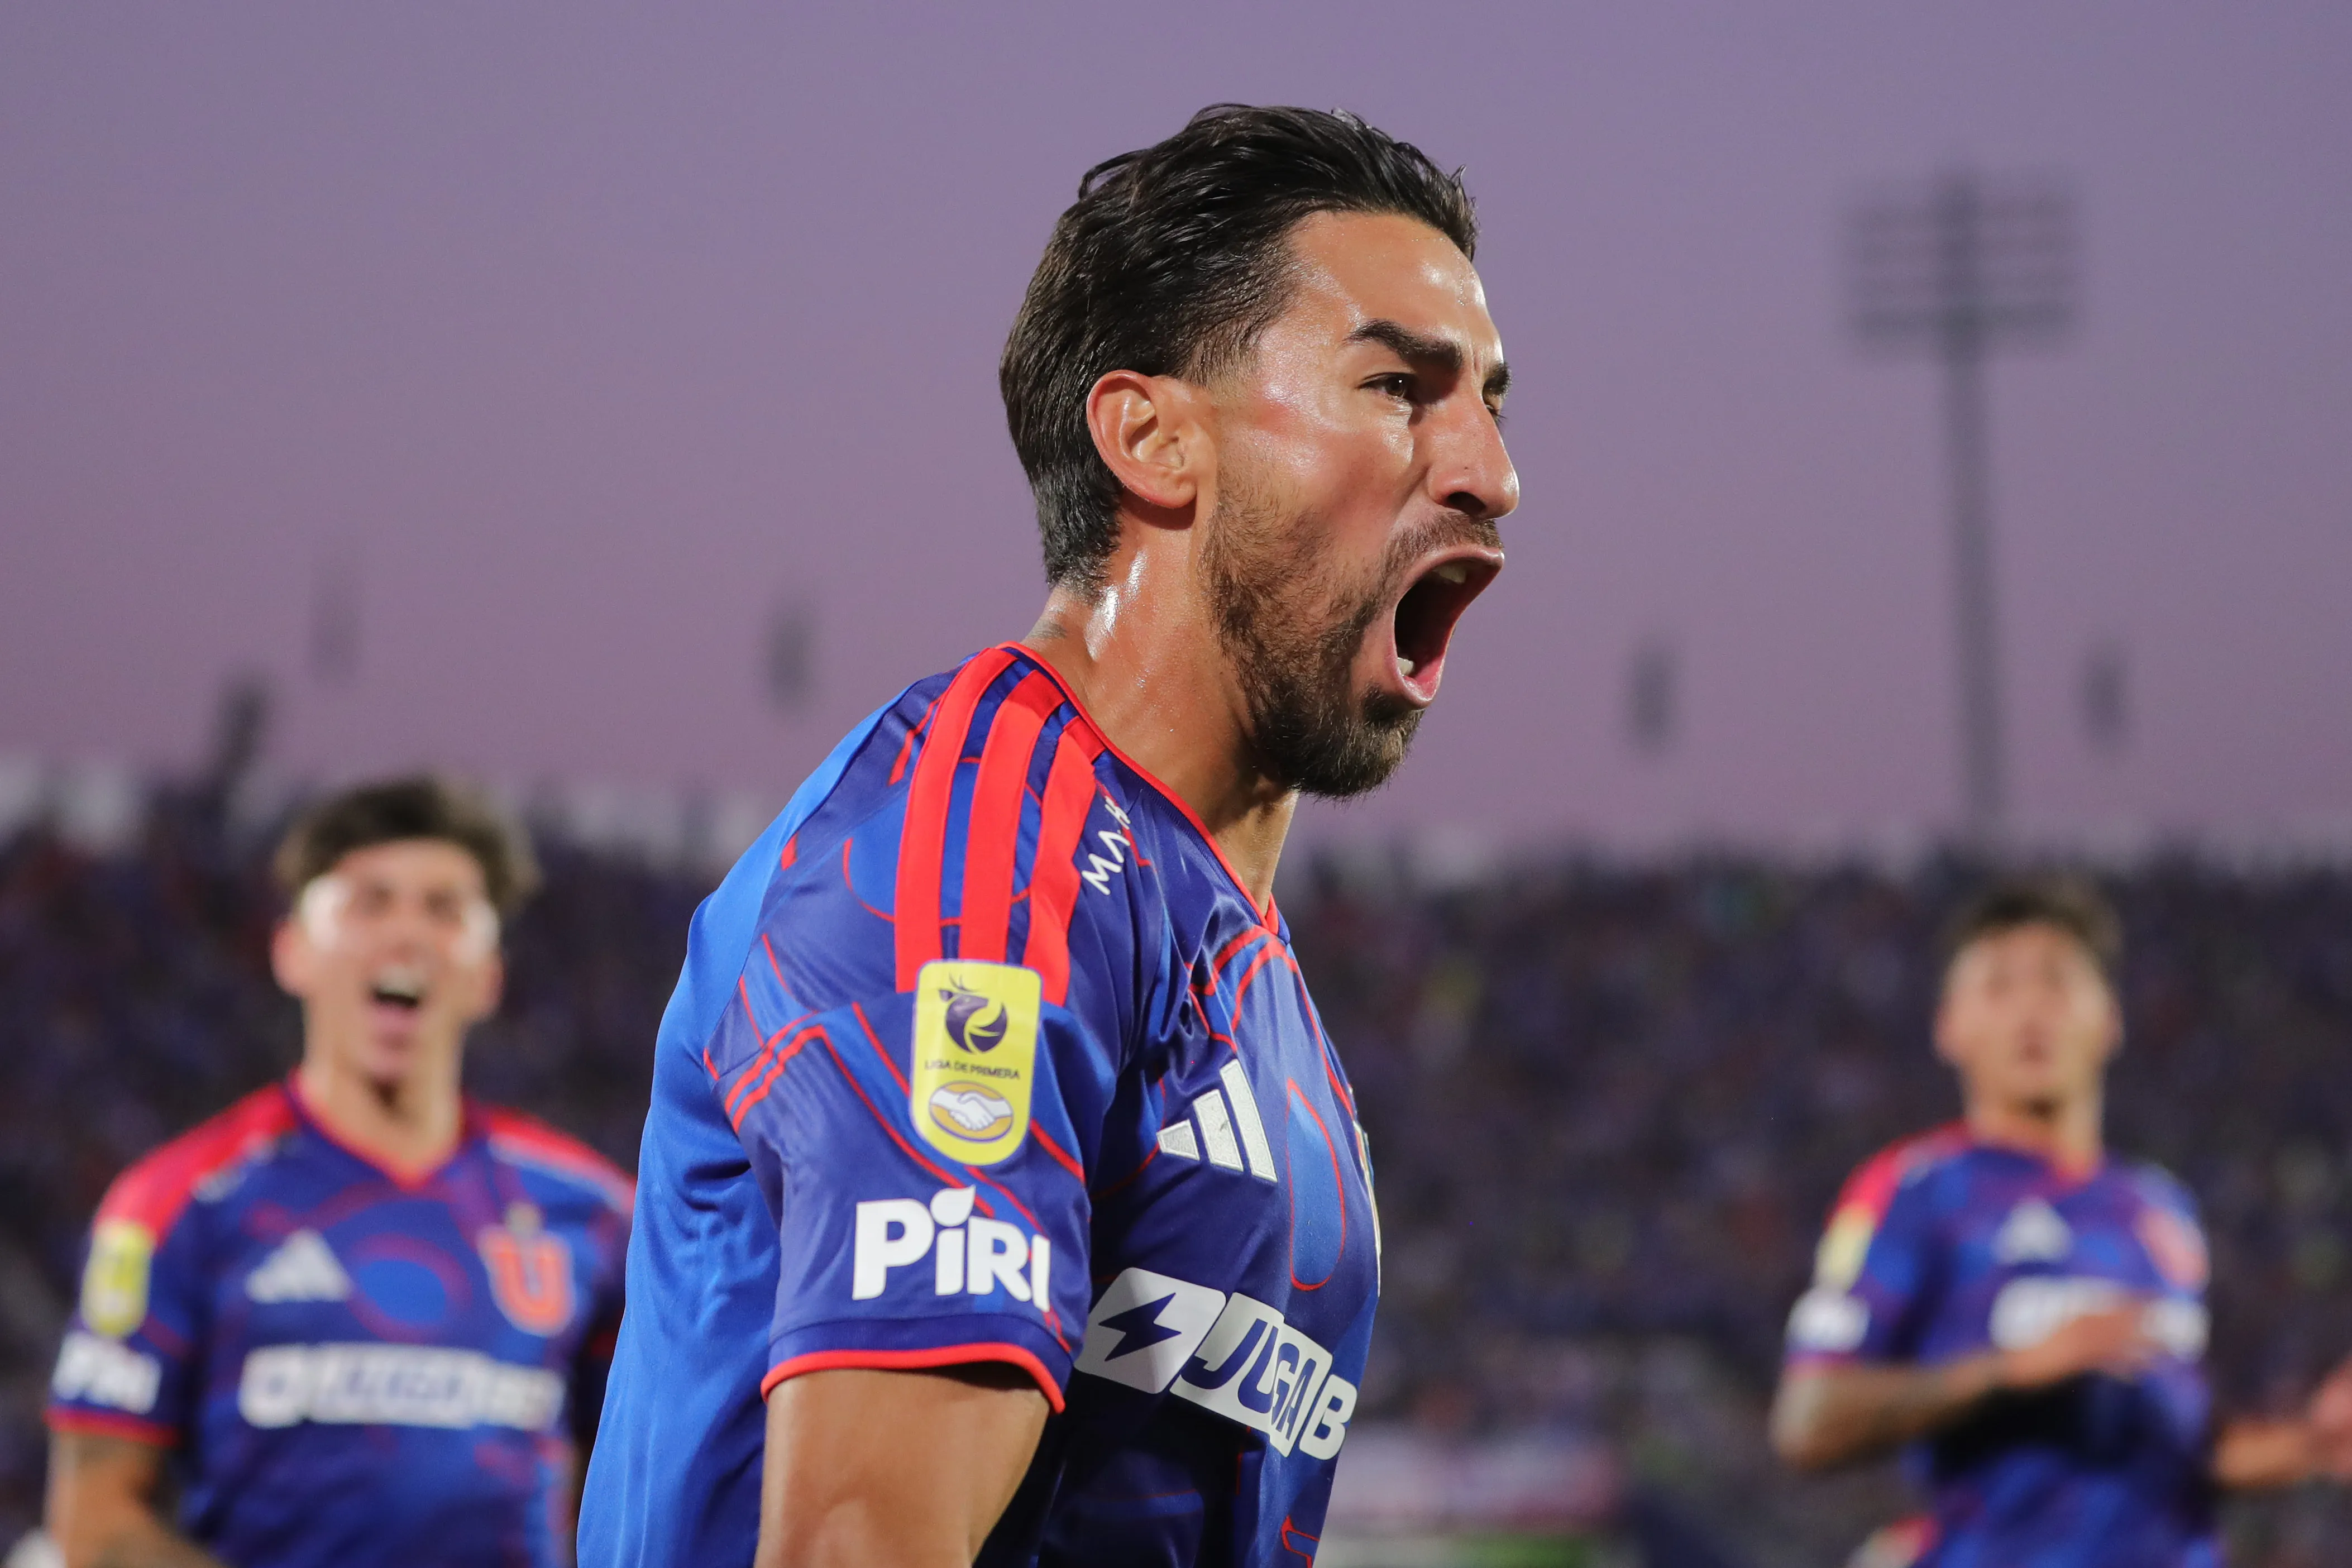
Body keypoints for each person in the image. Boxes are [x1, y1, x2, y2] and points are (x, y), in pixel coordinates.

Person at [580, 103, 1516, 1567]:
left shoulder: (1220, 940)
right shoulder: (984, 869)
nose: (1489, 473)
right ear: (1151, 439)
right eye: (1398, 386)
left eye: (1490, 404)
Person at [44, 778, 632, 1568]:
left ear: (489, 975)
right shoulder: (177, 1203)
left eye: (445, 910)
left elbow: (648, 1475)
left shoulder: (595, 1213)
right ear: (292, 951)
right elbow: (95, 1521)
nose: (406, 934)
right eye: (368, 903)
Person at [1771, 877, 2352, 1565]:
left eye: (2056, 982)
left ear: (2110, 1019)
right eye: (1998, 987)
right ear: (1950, 1028)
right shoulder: (1918, 1192)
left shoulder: (2158, 1208)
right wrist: (2013, 1370)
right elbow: (1809, 1421)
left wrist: (2312, 1443)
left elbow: (2180, 1449)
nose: (2030, 1012)